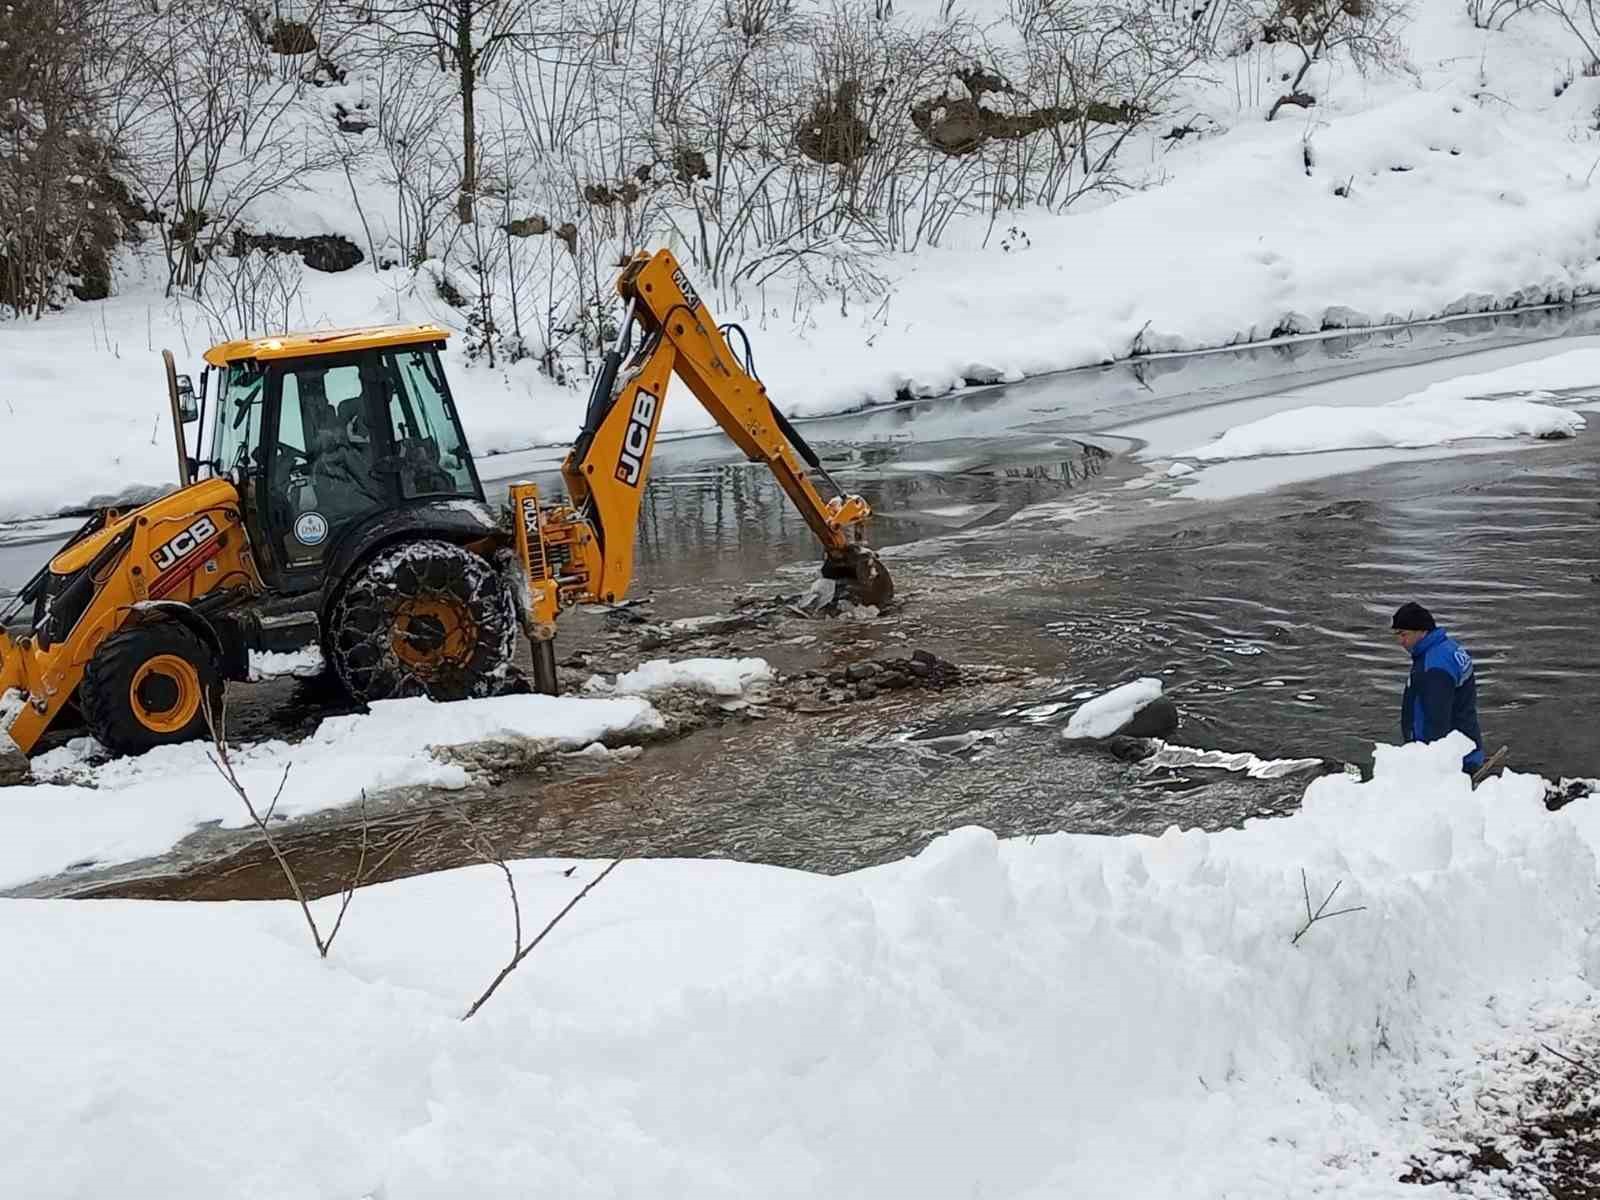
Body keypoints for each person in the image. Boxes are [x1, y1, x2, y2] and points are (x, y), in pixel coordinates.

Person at [1391, 602, 1484, 773]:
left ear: (1422, 631)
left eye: (1403, 634)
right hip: (1468, 747)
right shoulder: (1449, 648)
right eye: (1396, 635)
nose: (1400, 641)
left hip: (1452, 763)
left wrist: (1429, 764)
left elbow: (1435, 721)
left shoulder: (1434, 667)